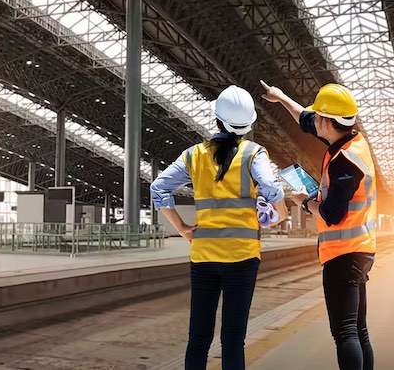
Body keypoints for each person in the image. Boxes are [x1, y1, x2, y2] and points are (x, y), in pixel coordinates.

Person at [150, 85, 288, 370]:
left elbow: (159, 188)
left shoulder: (194, 155)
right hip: (241, 258)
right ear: (249, 124)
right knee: (233, 339)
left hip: (203, 258)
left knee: (198, 338)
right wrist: (281, 212)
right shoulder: (253, 153)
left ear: (217, 119)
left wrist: (182, 228)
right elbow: (271, 187)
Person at [260, 80, 376, 370]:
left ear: (327, 122)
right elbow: (304, 118)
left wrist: (304, 201)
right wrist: (281, 96)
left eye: (318, 118)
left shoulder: (345, 162)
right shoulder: (349, 138)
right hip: (360, 249)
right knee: (358, 330)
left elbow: (332, 213)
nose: (314, 122)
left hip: (343, 254)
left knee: (345, 332)